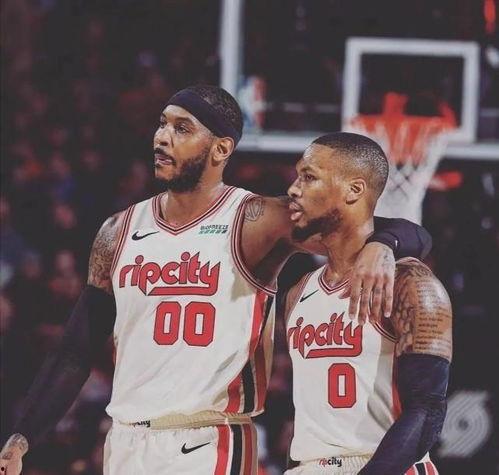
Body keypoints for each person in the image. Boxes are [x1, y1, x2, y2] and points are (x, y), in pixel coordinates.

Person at [0, 86, 431, 474]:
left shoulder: (257, 220)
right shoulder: (117, 232)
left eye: (181, 128)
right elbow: (75, 350)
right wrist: (23, 435)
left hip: (209, 440)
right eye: (162, 124)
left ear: (221, 149)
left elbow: (374, 229)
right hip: (126, 440)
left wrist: (385, 243)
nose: (162, 137)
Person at [284, 132, 452, 474]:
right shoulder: (298, 292)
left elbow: (427, 410)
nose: (293, 188)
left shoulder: (412, 284)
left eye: (309, 177)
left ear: (354, 190)